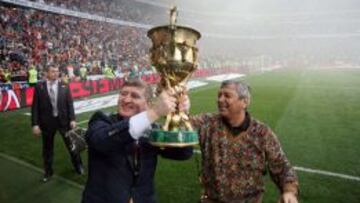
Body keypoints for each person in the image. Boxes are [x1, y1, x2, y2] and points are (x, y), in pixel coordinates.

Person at [183, 80, 299, 203]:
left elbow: (282, 166)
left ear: (245, 102)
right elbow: (180, 128)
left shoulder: (262, 133)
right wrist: (179, 106)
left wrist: (289, 191)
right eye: (219, 95)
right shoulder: (207, 124)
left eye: (227, 95)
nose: (220, 100)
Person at [81, 79, 193, 203]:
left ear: (149, 103)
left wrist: (182, 115)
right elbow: (101, 141)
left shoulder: (153, 129)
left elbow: (183, 154)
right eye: (123, 94)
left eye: (135, 96)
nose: (126, 99)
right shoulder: (101, 120)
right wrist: (155, 112)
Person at [31, 64, 83, 182]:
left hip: (64, 122)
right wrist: (35, 124)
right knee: (47, 149)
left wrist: (73, 119)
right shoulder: (39, 87)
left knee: (72, 146)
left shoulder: (64, 85)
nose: (56, 73)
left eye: (57, 71)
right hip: (47, 124)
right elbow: (35, 107)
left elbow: (70, 104)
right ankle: (48, 172)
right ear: (46, 73)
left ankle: (78, 166)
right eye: (53, 71)